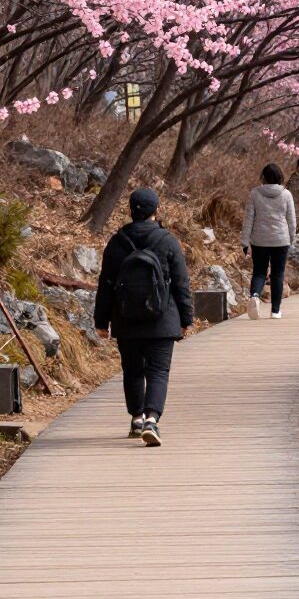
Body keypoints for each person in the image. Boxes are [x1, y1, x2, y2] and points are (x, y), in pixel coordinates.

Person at [93, 187, 194, 446]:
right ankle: (152, 419)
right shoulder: (168, 240)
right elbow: (182, 283)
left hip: (126, 320)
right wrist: (186, 318)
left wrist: (101, 321)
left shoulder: (117, 242)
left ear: (130, 210)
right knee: (158, 371)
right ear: (156, 211)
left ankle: (137, 418)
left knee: (133, 371)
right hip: (162, 319)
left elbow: (105, 284)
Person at [242, 163, 297, 319]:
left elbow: (248, 219)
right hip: (281, 240)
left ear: (263, 177)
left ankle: (254, 295)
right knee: (277, 274)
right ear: (280, 177)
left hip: (259, 240)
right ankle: (275, 310)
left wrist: (245, 241)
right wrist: (290, 238)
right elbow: (292, 221)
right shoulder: (286, 194)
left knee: (259, 272)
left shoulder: (254, 194)